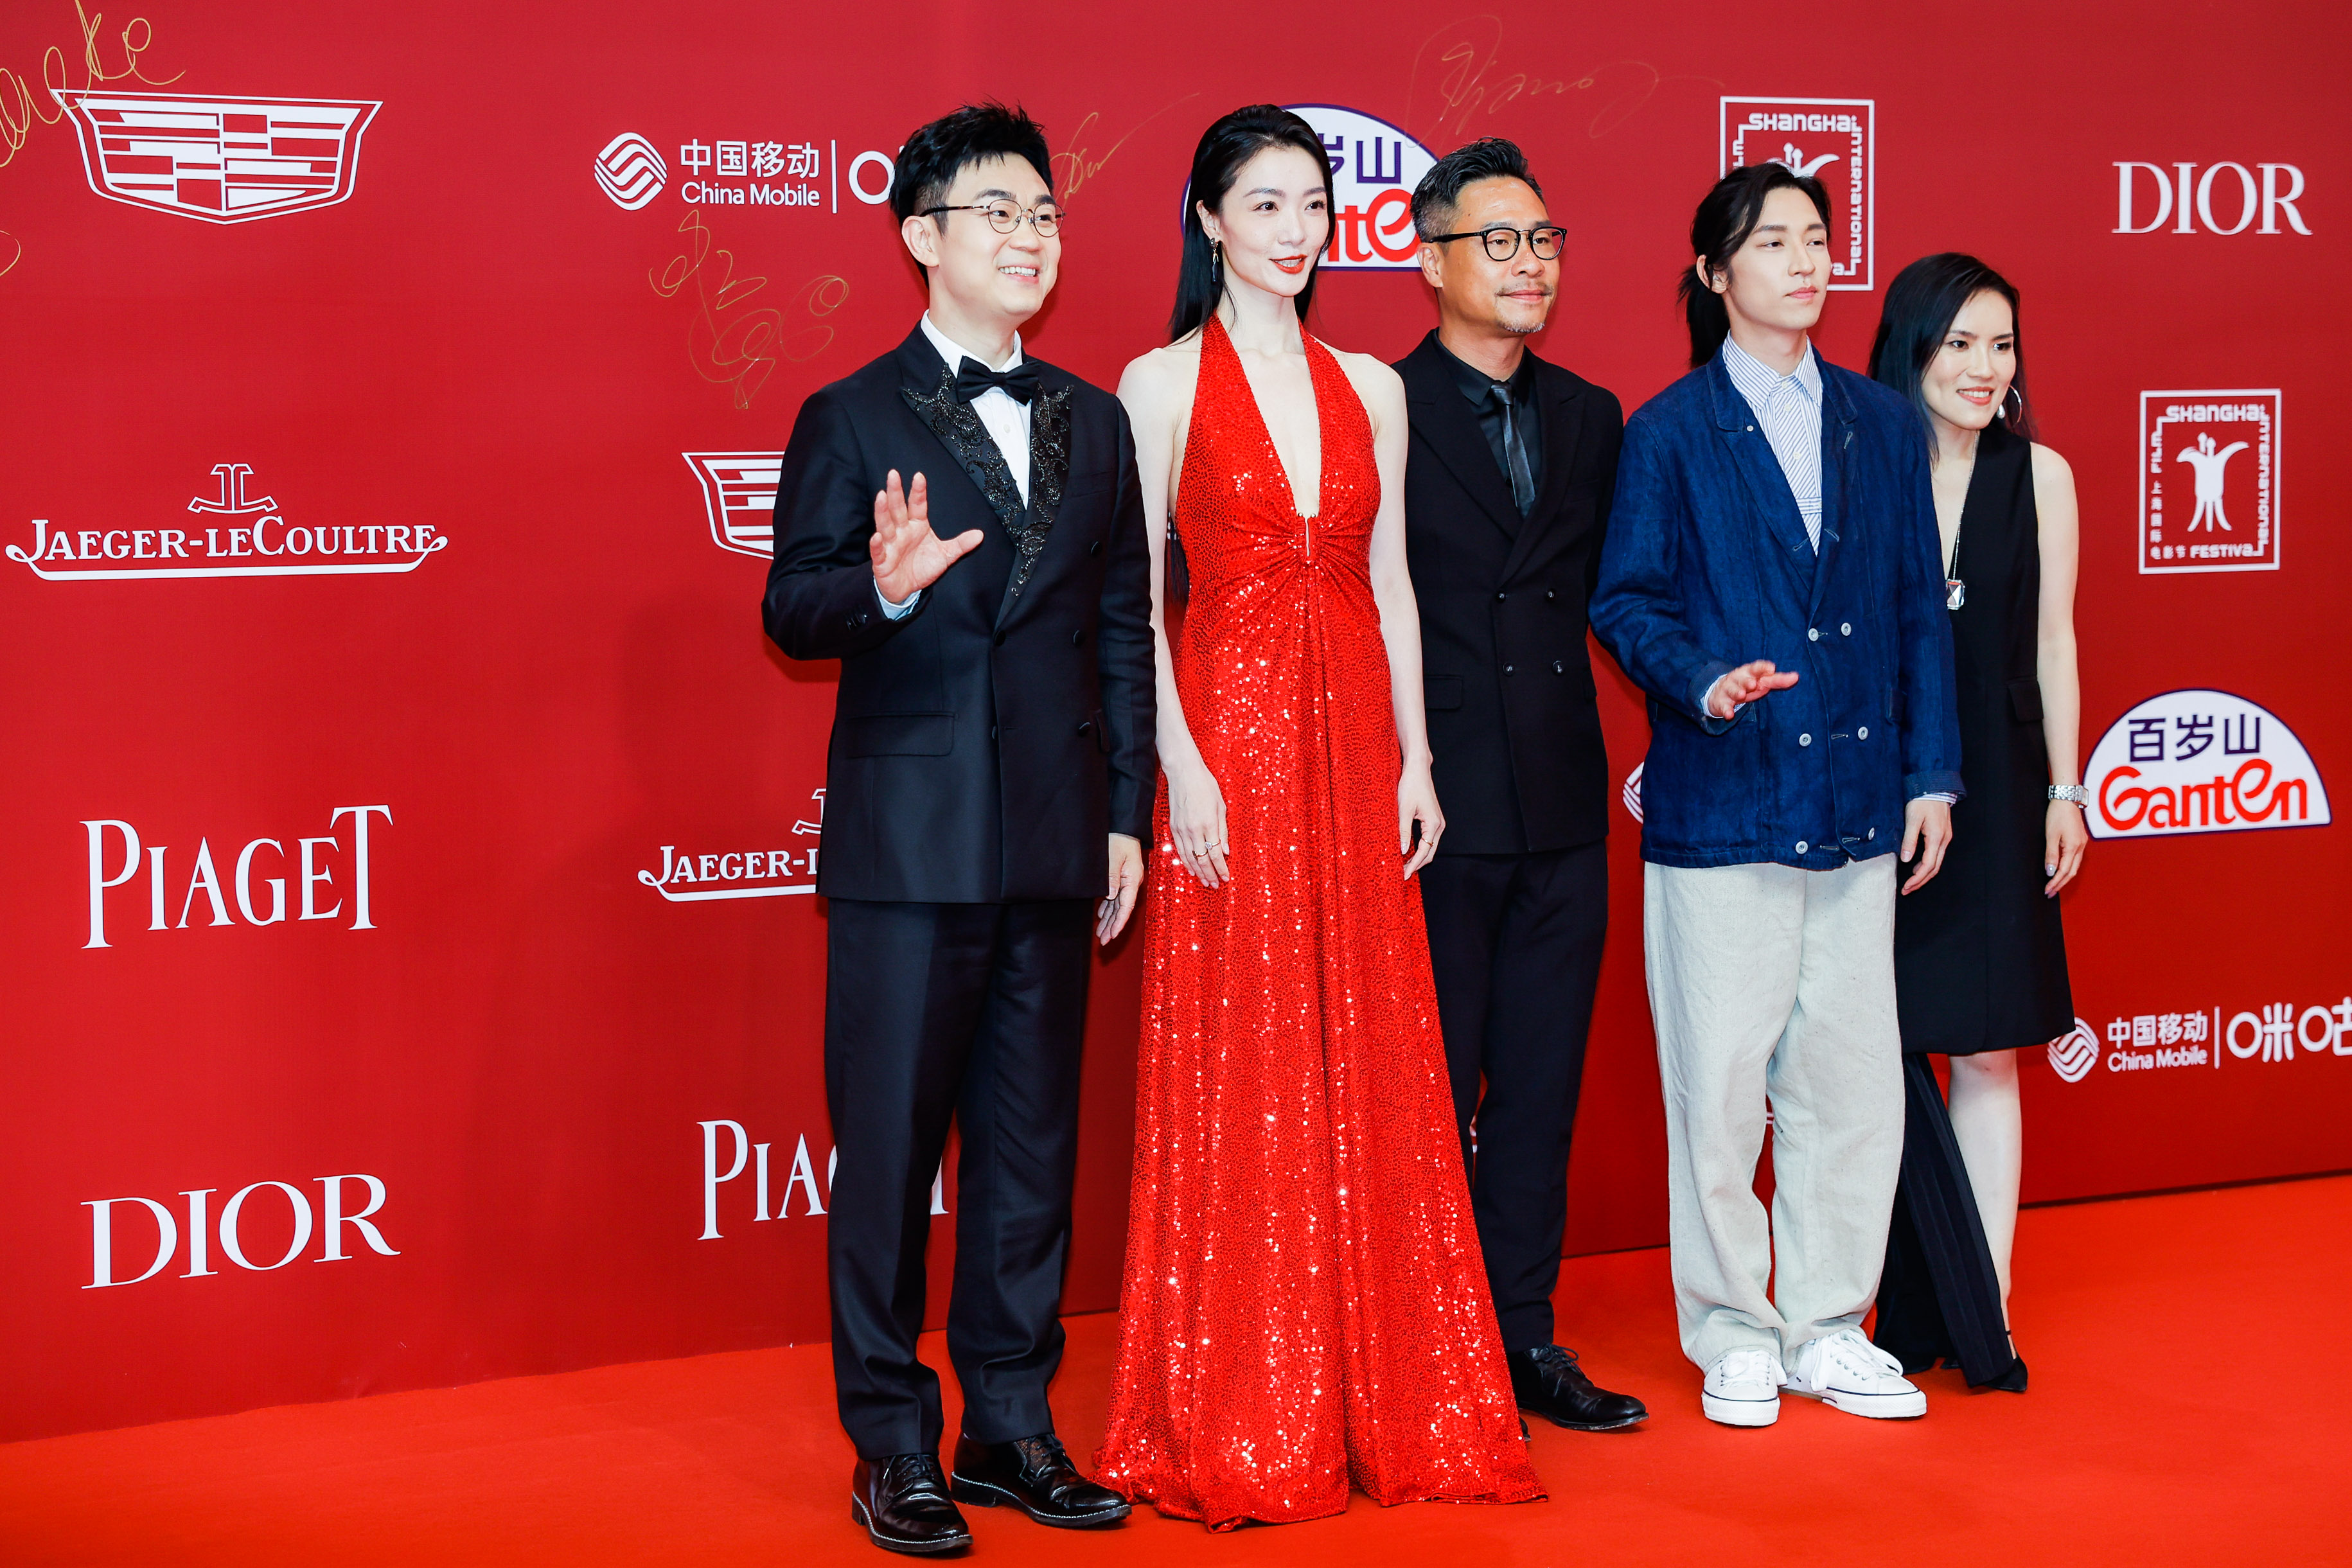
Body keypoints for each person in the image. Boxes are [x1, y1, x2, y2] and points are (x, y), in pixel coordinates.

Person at [1095, 104, 1542, 1528]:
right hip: (1224, 739)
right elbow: (1138, 603)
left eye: (1314, 205)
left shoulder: (1374, 386)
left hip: (1357, 743)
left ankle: (1380, 1391)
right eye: (1267, 204)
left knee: (1372, 1054)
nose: (1296, 231)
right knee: (1247, 1061)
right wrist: (1181, 765)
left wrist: (1417, 762)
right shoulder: (1155, 385)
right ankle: (1243, 1404)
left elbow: (1394, 584)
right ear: (1211, 219)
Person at [761, 102, 1154, 1555]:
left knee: (1029, 1154)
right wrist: (889, 587)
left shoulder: (1094, 419)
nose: (1029, 235)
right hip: (910, 850)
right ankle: (893, 1445)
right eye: (996, 210)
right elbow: (792, 607)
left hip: (1056, 846)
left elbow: (1123, 633)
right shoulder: (850, 415)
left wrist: (1123, 816)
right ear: (921, 237)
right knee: (885, 1157)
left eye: (1043, 211)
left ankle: (1009, 1427)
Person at [1588, 163, 1963, 1429]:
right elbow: (1623, 600)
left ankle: (1823, 1321)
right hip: (1724, 807)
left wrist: (1931, 776)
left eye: (1817, 239)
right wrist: (1700, 680)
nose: (1804, 262)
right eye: (1771, 242)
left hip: (1859, 803)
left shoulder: (1879, 421)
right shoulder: (1669, 431)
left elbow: (1920, 610)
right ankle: (1733, 1327)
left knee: (1848, 1085)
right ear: (1712, 273)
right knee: (1720, 1081)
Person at [1394, 137, 1645, 1432]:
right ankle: (1427, 1348)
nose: (1529, 263)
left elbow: (1620, 598)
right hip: (1431, 814)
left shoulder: (1591, 416)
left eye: (1544, 240)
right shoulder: (1378, 408)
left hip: (1561, 803)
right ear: (1426, 257)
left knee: (1538, 1089)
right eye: (1499, 242)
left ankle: (1523, 1335)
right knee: (1427, 1095)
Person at [1865, 254, 2084, 1393]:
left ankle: (1980, 1293)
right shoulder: (1862, 464)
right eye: (1958, 344)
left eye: (2000, 346)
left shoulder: (2037, 474)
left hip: (2001, 787)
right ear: (1912, 348)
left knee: (1990, 1047)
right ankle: (1892, 1299)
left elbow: (2052, 644)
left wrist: (2066, 789)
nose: (1982, 368)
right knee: (1877, 1053)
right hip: (1883, 790)